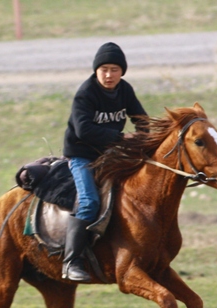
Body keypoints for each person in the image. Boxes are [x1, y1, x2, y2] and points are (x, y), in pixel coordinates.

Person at [62, 42, 148, 282]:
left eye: (114, 69)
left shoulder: (125, 90)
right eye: (104, 69)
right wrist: (122, 137)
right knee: (89, 202)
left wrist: (148, 138)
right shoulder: (86, 93)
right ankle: (70, 262)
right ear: (96, 71)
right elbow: (84, 131)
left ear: (122, 72)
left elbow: (141, 118)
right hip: (82, 155)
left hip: (109, 153)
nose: (109, 75)